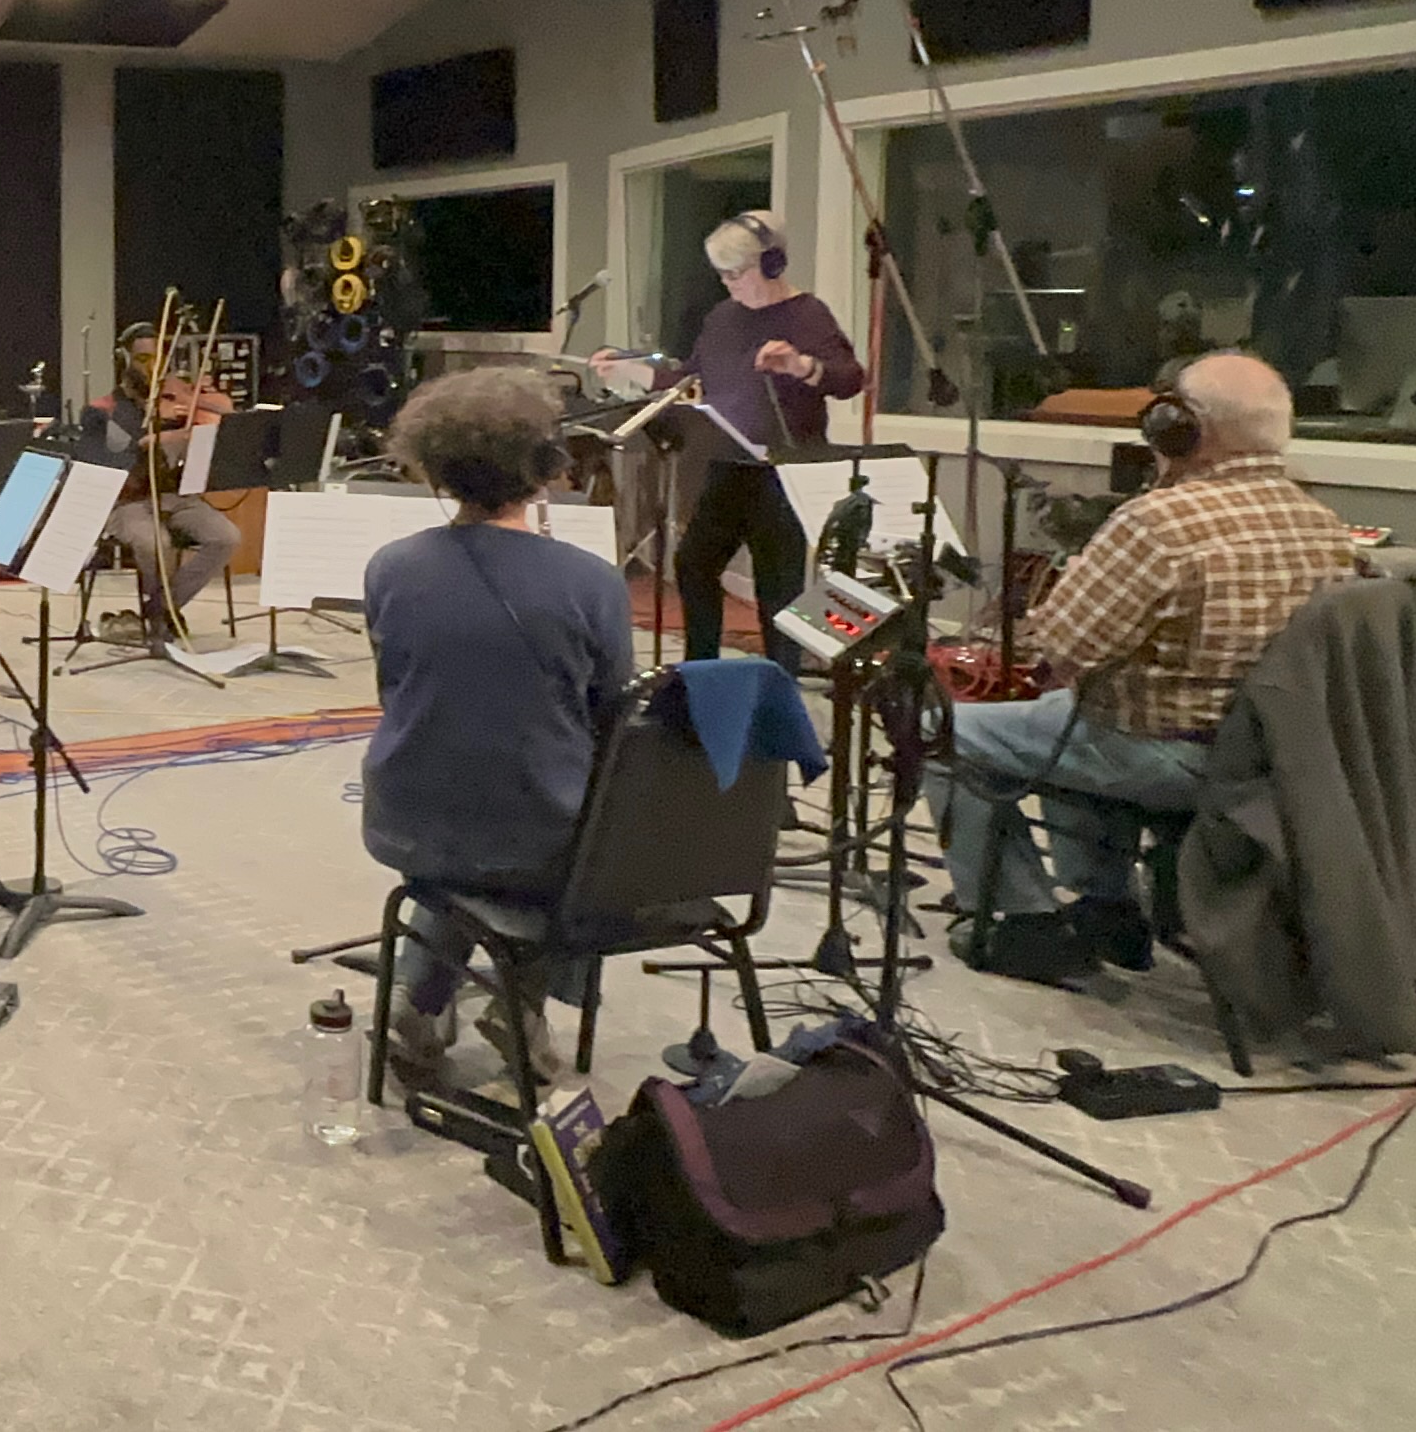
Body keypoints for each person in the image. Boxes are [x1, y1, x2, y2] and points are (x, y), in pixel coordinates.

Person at [925, 352, 1353, 983]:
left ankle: (1024, 924)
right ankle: (1106, 911)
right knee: (1068, 711)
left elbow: (1059, 651)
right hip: (1269, 758)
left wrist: (1067, 584)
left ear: (1179, 430)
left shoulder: (1158, 523)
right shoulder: (1326, 526)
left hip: (1173, 756)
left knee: (944, 730)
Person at [359, 371, 636, 1088]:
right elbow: (614, 713)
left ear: (435, 469)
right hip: (536, 831)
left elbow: (396, 688)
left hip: (407, 816)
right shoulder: (593, 581)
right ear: (544, 469)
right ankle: (525, 1003)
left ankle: (421, 1003)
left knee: (461, 840)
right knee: (584, 827)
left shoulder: (390, 568)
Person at [592, 212, 861, 669]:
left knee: (777, 589)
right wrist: (631, 372)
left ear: (772, 264)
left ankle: (779, 684)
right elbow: (691, 379)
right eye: (722, 275)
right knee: (694, 564)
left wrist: (801, 365)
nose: (729, 284)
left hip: (784, 473)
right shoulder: (722, 317)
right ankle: (702, 672)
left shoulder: (807, 314)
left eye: (736, 273)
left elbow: (850, 378)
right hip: (728, 464)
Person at [86, 325, 241, 641]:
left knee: (226, 537)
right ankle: (163, 616)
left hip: (177, 496)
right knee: (155, 544)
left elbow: (226, 410)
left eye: (158, 358)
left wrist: (186, 399)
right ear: (125, 359)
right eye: (143, 359)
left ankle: (160, 609)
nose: (152, 367)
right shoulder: (104, 409)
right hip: (129, 502)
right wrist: (154, 434)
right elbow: (113, 459)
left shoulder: (174, 397)